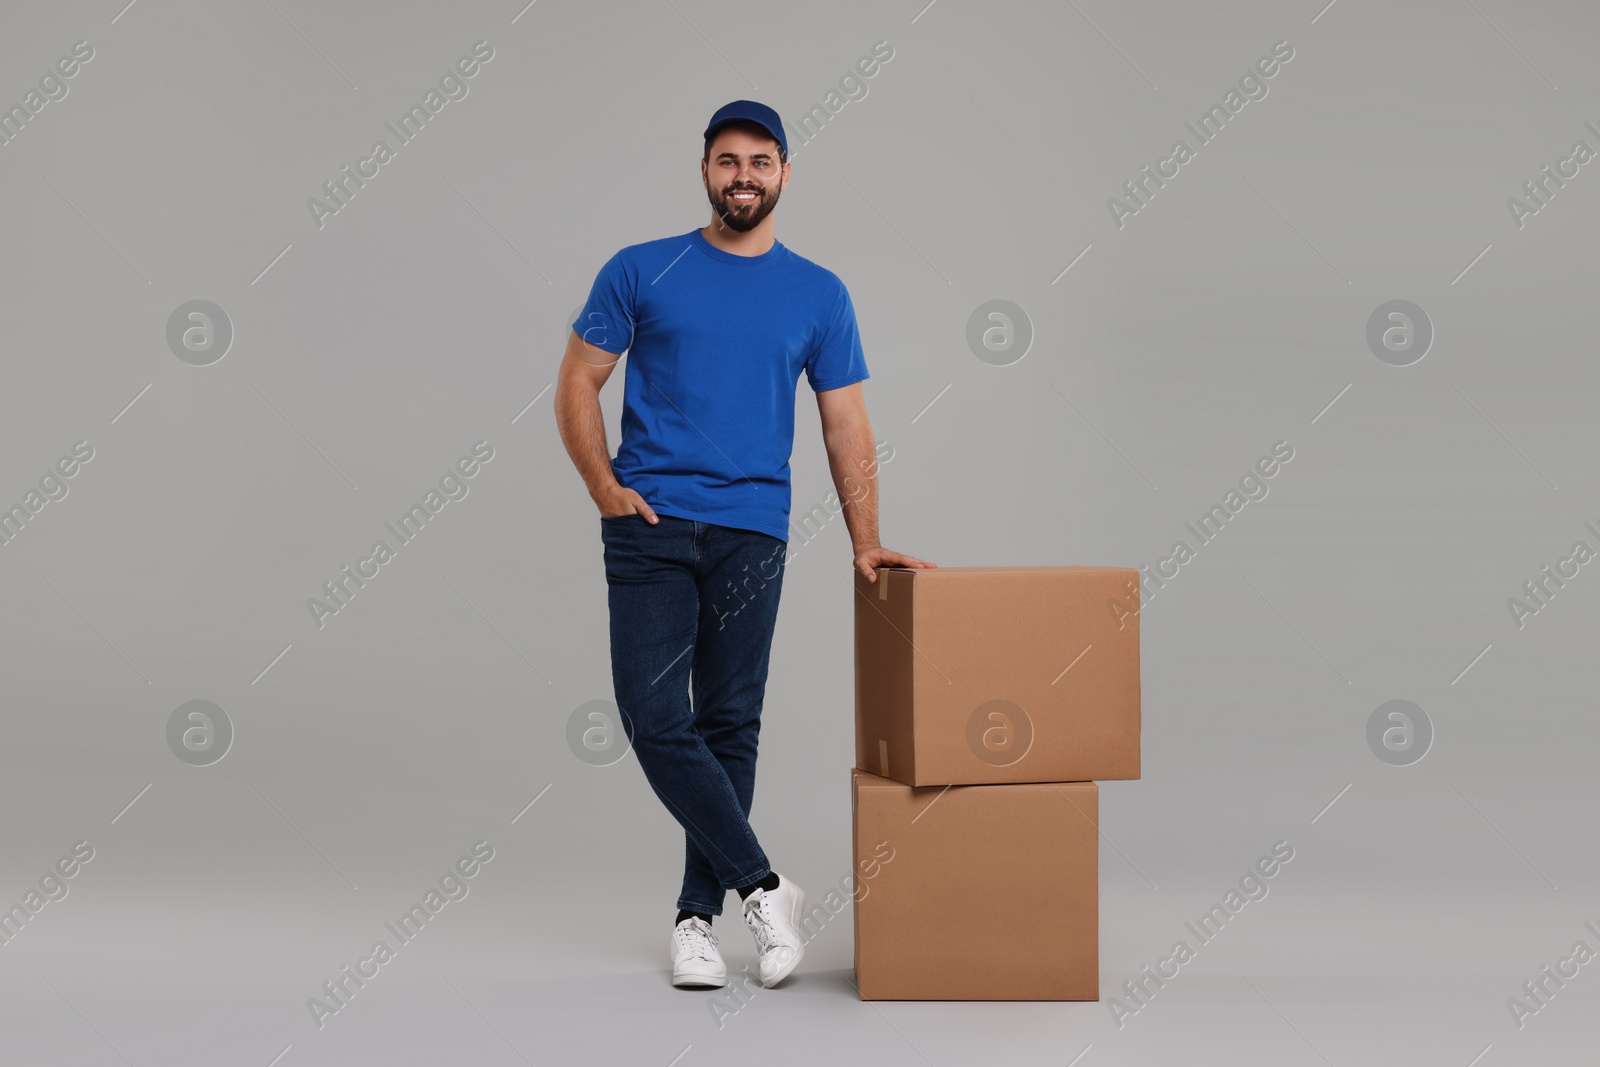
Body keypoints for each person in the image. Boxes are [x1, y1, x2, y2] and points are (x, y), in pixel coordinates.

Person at [555, 100, 935, 991]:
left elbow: (847, 425)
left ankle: (698, 919)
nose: (743, 177)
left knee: (728, 720)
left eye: (761, 162)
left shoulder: (818, 291)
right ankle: (764, 886)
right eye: (728, 161)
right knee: (654, 718)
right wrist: (604, 488)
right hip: (648, 525)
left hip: (752, 532)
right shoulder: (643, 268)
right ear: (704, 171)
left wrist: (865, 542)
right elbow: (579, 378)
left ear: (786, 175)